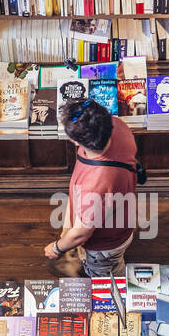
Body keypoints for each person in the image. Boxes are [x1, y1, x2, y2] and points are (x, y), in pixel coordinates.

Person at [44, 98, 138, 278]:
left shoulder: (96, 184)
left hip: (104, 245)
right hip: (121, 216)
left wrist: (56, 248)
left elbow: (81, 233)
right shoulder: (118, 126)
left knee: (107, 276)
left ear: (75, 140)